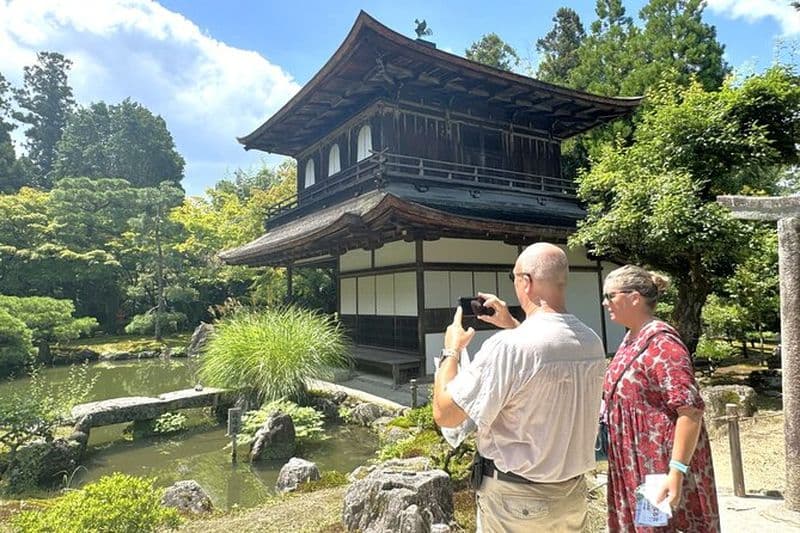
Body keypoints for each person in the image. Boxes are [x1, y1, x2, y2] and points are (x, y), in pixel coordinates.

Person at [432, 242, 606, 532]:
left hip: (516, 502)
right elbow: (540, 360)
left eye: (514, 278)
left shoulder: (508, 347)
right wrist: (513, 323)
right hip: (571, 496)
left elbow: (446, 414)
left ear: (526, 281)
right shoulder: (591, 341)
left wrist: (451, 351)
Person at [602, 265, 720, 532]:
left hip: (659, 464)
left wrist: (676, 471)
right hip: (634, 458)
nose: (605, 302)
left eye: (610, 295)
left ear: (634, 297)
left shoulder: (663, 343)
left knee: (660, 526)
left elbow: (690, 411)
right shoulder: (632, 337)